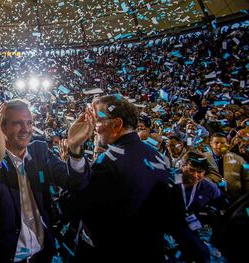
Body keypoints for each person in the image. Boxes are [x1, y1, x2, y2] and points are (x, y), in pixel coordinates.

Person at [61, 95, 209, 262]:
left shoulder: (111, 161)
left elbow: (74, 205)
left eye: (98, 120)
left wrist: (74, 149)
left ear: (117, 124)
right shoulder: (159, 157)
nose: (95, 127)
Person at [0, 99, 92, 262]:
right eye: (18, 123)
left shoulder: (40, 150)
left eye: (29, 123)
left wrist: (74, 148)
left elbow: (76, 183)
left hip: (42, 256)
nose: (26, 129)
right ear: (1, 128)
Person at [204, 133, 249, 202]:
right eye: (216, 142)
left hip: (234, 198)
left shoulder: (238, 159)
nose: (219, 145)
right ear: (211, 143)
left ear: (227, 143)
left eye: (222, 143)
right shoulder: (203, 158)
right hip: (210, 197)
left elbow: (247, 179)